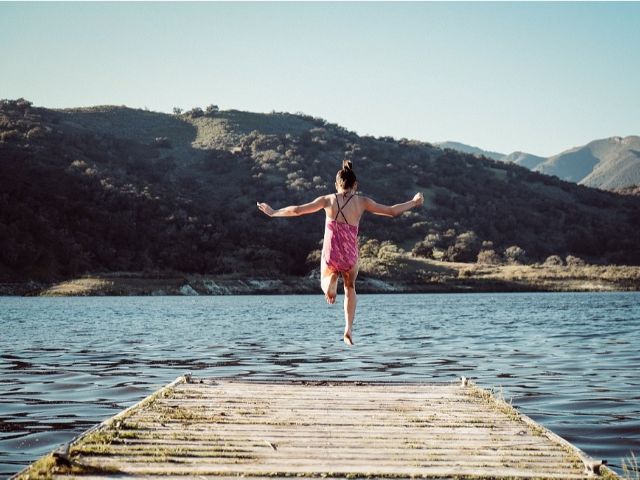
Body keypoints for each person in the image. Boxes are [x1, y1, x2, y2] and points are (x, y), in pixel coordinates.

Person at [257, 160, 424, 346]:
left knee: (326, 278)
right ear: (355, 185)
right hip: (350, 254)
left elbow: (297, 211)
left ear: (336, 184)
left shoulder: (328, 200)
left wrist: (273, 212)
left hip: (331, 252)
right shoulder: (362, 202)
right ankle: (348, 329)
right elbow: (392, 211)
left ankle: (330, 283)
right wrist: (414, 202)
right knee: (350, 287)